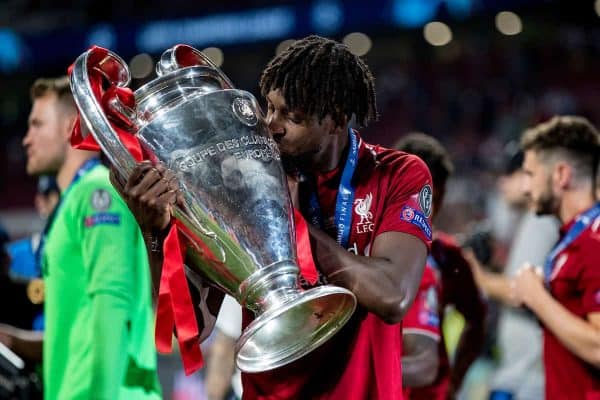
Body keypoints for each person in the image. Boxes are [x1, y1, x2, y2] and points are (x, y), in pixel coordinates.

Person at [114, 35, 432, 399]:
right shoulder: (246, 175)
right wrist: (155, 234)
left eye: (292, 117)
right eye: (269, 108)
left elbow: (392, 296)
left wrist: (281, 218)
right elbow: (189, 327)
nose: (272, 124)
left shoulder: (397, 173)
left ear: (336, 120)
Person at [0, 76, 161, 399]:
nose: (26, 140)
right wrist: (15, 341)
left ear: (69, 127)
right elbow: (77, 331)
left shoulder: (96, 192)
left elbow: (111, 303)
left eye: (37, 125)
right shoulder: (73, 201)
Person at [512, 115, 600, 400]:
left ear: (561, 175)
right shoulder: (572, 239)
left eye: (530, 174)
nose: (526, 189)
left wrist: (537, 297)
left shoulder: (594, 241)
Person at [465, 142, 559, 400]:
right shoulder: (532, 221)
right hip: (523, 372)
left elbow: (520, 292)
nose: (502, 183)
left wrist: (476, 274)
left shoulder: (540, 220)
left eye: (510, 174)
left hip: (528, 377)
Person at [395, 133, 486, 400]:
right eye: (420, 197)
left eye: (435, 199)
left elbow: (477, 320)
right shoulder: (362, 249)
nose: (428, 210)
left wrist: (455, 380)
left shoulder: (448, 257)